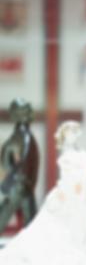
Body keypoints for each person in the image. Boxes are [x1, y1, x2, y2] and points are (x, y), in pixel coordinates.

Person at [0, 121, 86, 265]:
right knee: (51, 232)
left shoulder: (82, 154)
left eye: (75, 131)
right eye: (69, 131)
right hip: (67, 197)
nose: (73, 134)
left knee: (72, 233)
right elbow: (69, 178)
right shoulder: (67, 156)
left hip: (77, 199)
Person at [0, 98, 39, 234]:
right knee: (6, 212)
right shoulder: (20, 136)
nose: (30, 115)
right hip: (20, 184)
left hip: (24, 185)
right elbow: (7, 155)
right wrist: (10, 173)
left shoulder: (23, 135)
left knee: (31, 220)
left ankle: (33, 244)